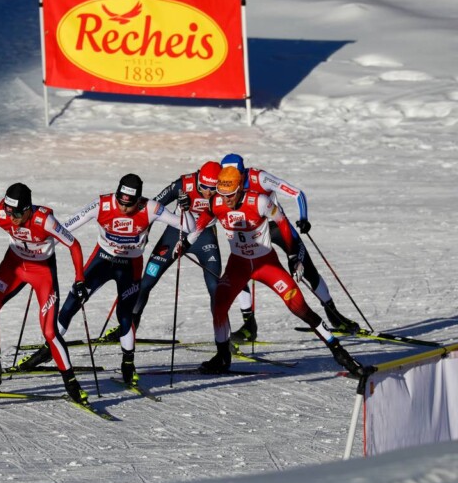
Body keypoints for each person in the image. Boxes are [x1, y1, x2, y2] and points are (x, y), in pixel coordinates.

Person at [179, 167, 366, 376]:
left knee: (299, 307)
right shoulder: (217, 201)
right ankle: (222, 357)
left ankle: (340, 353)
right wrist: (187, 242)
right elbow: (204, 219)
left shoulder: (259, 201)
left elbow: (283, 223)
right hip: (238, 265)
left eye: (231, 195)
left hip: (266, 264)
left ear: (240, 187)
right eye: (223, 195)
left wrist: (293, 255)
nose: (227, 200)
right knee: (219, 304)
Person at [18, 173, 185, 386]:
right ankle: (48, 350)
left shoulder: (150, 208)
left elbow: (187, 226)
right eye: (121, 202)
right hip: (102, 261)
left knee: (125, 315)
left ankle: (128, 363)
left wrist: (185, 210)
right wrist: (39, 247)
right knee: (70, 305)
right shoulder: (102, 204)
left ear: (138, 199)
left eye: (129, 205)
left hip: (130, 266)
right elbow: (68, 226)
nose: (124, 208)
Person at [0, 183, 89, 404]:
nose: (13, 218)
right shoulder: (2, 212)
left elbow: (74, 245)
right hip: (13, 267)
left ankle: (71, 383)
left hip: (42, 273)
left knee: (49, 331)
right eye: (10, 212)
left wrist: (80, 280)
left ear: (29, 208)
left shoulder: (44, 221)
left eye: (18, 213)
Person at [220, 153, 361, 341]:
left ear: (243, 172)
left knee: (306, 269)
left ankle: (334, 316)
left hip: (277, 227)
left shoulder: (259, 178)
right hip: (250, 232)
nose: (232, 180)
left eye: (237, 175)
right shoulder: (225, 184)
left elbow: (297, 193)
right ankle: (249, 326)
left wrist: (303, 218)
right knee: (240, 271)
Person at [128, 161, 254, 342]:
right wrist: (143, 233)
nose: (208, 193)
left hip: (205, 237)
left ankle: (223, 339)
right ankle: (129, 328)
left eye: (212, 188)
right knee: (147, 281)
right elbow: (153, 205)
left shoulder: (224, 191)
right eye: (203, 187)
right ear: (197, 179)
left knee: (215, 289)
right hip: (175, 234)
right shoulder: (184, 184)